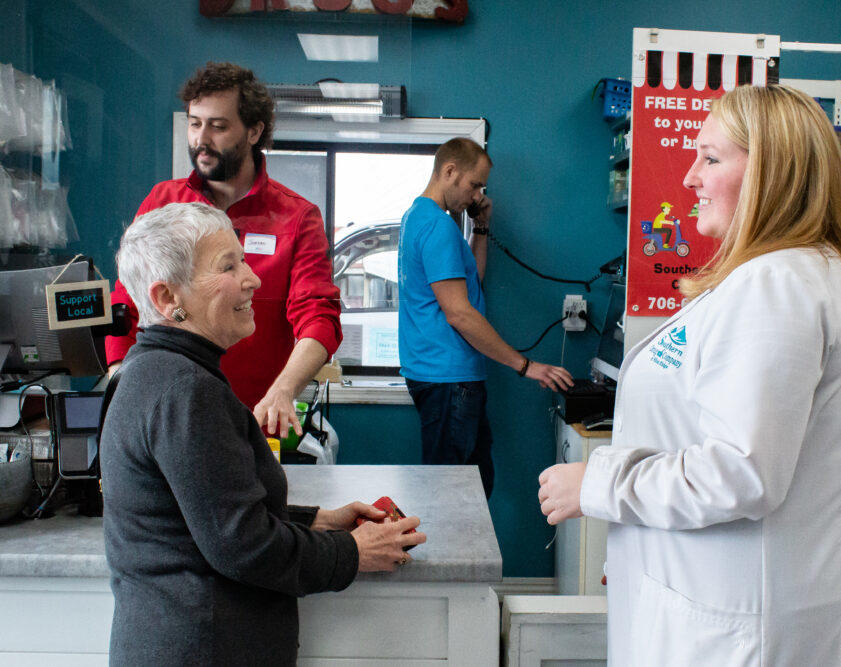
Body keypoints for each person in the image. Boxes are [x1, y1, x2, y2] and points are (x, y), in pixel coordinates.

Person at [538, 84, 841, 665]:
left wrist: (598, 485)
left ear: (772, 173)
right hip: (733, 597)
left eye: (711, 157)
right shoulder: (790, 276)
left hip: (741, 628)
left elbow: (741, 472)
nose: (689, 178)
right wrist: (641, 545)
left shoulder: (774, 286)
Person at [101, 202, 426, 666]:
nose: (253, 279)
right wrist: (353, 552)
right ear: (168, 297)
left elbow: (204, 510)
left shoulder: (152, 372)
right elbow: (245, 548)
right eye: (228, 266)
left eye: (244, 260)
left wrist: (316, 521)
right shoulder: (186, 390)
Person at [106, 61, 340, 440]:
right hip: (167, 416)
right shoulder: (163, 202)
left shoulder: (297, 217)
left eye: (218, 126)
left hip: (253, 422)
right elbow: (126, 301)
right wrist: (119, 378)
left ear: (254, 131)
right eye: (195, 123)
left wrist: (283, 392)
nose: (202, 138)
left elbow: (318, 316)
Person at [398, 137, 572, 499]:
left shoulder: (420, 218)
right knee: (456, 496)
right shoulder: (438, 227)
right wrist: (526, 366)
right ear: (449, 171)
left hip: (444, 374)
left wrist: (481, 228)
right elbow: (460, 313)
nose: (477, 196)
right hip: (449, 378)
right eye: (474, 184)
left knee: (473, 486)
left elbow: (471, 283)